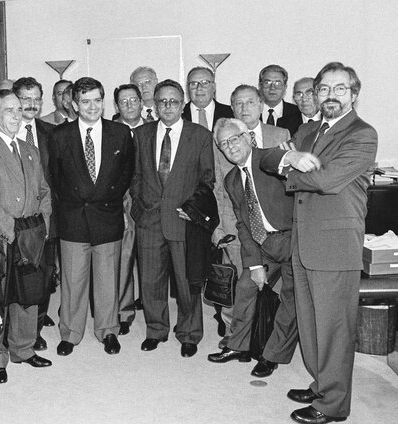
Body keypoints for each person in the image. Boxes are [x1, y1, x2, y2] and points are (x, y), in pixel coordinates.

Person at [259, 62, 377, 424]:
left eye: (340, 89)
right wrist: (290, 155)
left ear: (353, 95)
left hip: (335, 245)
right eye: (324, 89)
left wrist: (287, 166)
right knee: (310, 324)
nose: (330, 95)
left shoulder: (362, 134)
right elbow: (266, 156)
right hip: (304, 243)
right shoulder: (309, 130)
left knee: (335, 328)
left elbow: (326, 180)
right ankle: (322, 383)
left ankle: (334, 404)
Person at [48, 77, 133, 356]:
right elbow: (55, 179)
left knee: (108, 279)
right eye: (85, 101)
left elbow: (126, 174)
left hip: (107, 215)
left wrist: (106, 199)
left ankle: (108, 330)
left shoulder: (120, 133)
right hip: (73, 217)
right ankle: (70, 333)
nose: (92, 106)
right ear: (74, 104)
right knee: (73, 280)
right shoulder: (60, 136)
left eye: (97, 100)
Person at [207, 118, 298, 378]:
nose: (230, 146)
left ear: (248, 137)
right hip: (265, 244)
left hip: (293, 240)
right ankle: (238, 345)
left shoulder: (270, 160)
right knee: (245, 286)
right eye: (223, 144)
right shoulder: (233, 179)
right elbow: (243, 226)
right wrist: (255, 265)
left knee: (291, 299)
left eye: (234, 138)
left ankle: (272, 355)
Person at [131, 79, 215, 358]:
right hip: (150, 220)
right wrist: (140, 207)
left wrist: (191, 208)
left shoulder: (200, 135)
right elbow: (135, 176)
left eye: (174, 101)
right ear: (154, 105)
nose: (168, 106)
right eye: (162, 101)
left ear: (182, 104)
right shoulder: (141, 135)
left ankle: (189, 333)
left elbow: (207, 179)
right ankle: (156, 330)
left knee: (186, 281)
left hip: (183, 220)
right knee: (150, 281)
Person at [0, 89, 53, 384]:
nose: (16, 115)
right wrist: (11, 231)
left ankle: (24, 348)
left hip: (33, 232)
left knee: (28, 293)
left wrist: (43, 224)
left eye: (19, 109)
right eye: (9, 110)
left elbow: (44, 191)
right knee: (1, 297)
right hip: (3, 235)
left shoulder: (30, 150)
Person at [211, 85, 289, 345]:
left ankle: (268, 339)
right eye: (238, 103)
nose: (245, 108)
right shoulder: (223, 142)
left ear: (260, 104)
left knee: (283, 294)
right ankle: (237, 339)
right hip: (240, 225)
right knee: (242, 286)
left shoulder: (279, 136)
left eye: (250, 102)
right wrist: (220, 227)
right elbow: (218, 188)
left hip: (283, 232)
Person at [12, 77, 58, 350]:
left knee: (43, 277)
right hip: (12, 220)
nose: (31, 104)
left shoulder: (53, 133)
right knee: (13, 280)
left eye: (36, 99)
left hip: (45, 218)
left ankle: (36, 329)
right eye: (25, 99)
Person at [113, 83, 145, 334]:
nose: (129, 105)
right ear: (116, 106)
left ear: (141, 102)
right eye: (123, 102)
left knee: (154, 260)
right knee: (123, 258)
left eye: (133, 100)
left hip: (151, 202)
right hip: (122, 202)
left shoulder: (156, 129)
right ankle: (124, 311)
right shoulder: (109, 131)